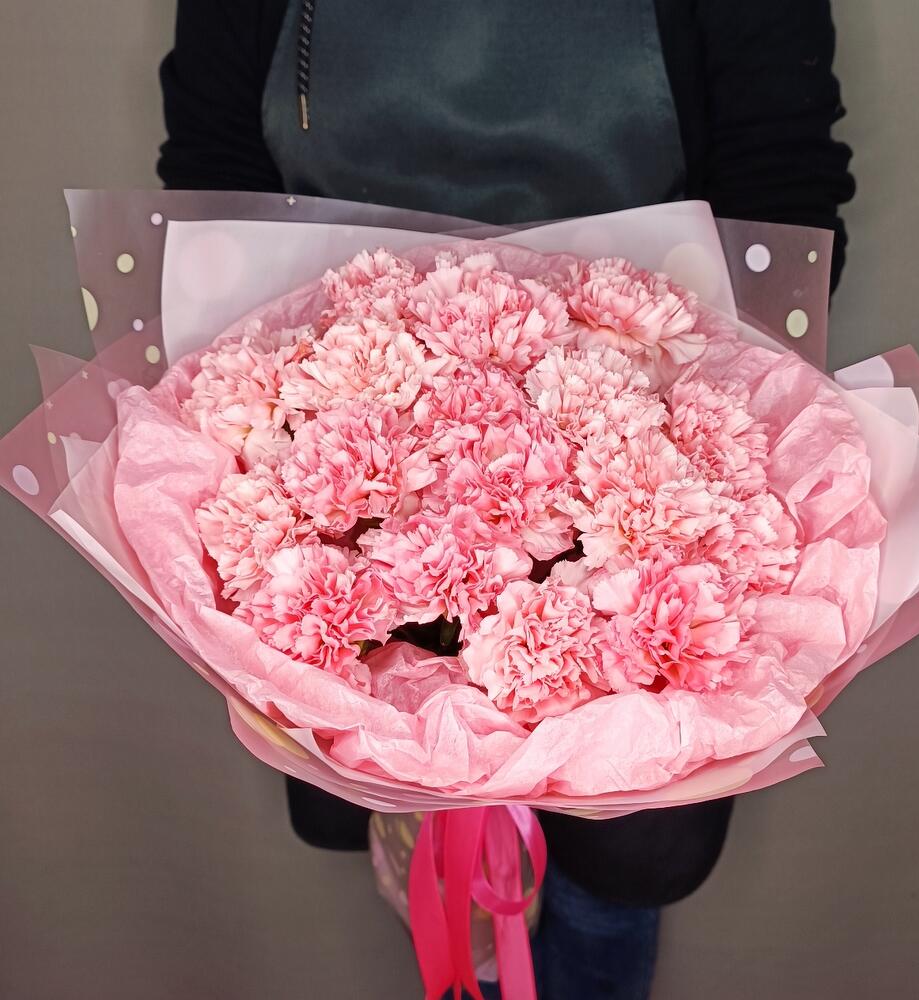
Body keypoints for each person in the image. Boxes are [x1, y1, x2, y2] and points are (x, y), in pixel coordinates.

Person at [158, 3, 854, 996]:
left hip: (639, 487)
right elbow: (215, 173)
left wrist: (662, 428)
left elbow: (779, 187)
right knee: (432, 852)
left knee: (620, 869)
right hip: (354, 501)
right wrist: (294, 435)